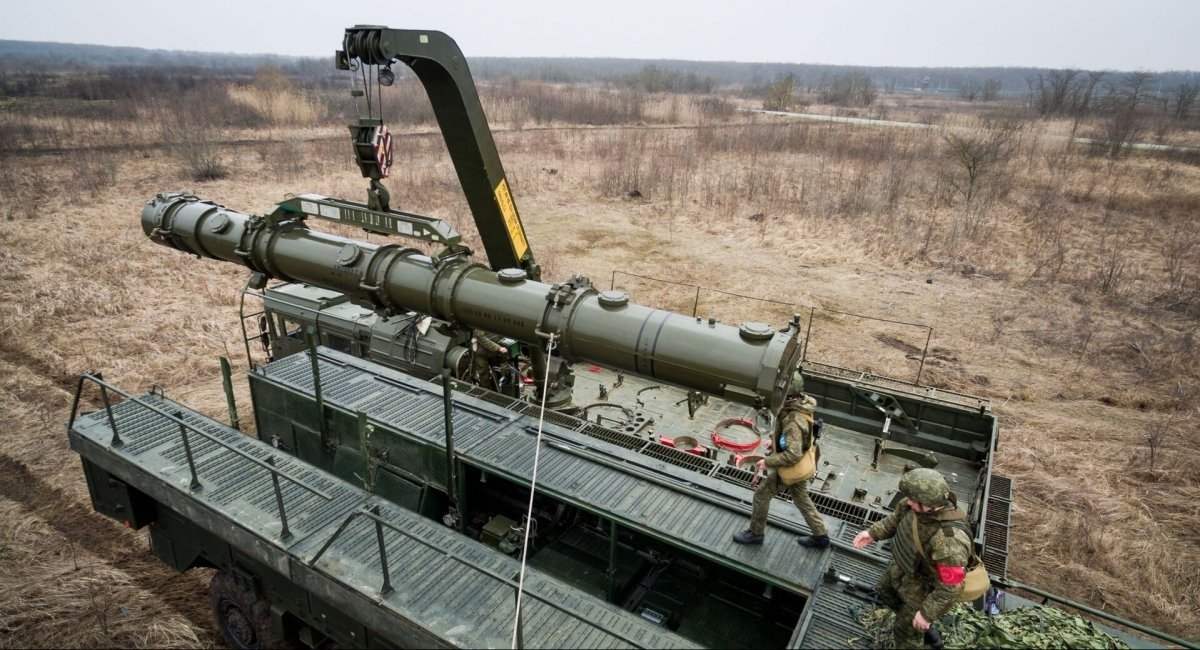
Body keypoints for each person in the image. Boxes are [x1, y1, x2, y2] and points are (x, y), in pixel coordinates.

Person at [852, 468, 972, 649]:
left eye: (913, 500)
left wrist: (926, 614)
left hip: (925, 589)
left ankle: (920, 631)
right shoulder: (913, 504)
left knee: (905, 635)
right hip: (903, 568)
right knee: (885, 592)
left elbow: (951, 586)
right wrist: (873, 533)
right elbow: (895, 520)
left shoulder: (949, 541)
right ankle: (924, 630)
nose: (908, 502)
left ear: (930, 503)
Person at [732, 370, 829, 548]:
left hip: (793, 466)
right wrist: (774, 442)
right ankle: (821, 535)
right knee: (800, 497)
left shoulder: (793, 420)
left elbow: (793, 454)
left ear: (788, 396)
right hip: (802, 465)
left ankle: (755, 534)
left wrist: (767, 462)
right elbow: (796, 439)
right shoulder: (802, 405)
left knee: (761, 495)